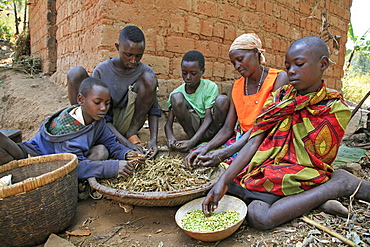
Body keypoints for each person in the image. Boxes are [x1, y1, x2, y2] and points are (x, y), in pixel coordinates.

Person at [201, 36, 370, 230]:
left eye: (299, 64)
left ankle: (338, 185)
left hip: (304, 171)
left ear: (323, 64)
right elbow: (255, 140)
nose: (291, 71)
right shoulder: (281, 97)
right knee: (226, 185)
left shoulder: (334, 109)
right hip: (272, 165)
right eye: (288, 66)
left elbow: (313, 162)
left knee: (259, 216)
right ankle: (312, 199)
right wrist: (223, 181)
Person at [0, 77, 136, 180]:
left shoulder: (97, 119)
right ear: (81, 100)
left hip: (62, 158)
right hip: (36, 158)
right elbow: (72, 166)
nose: (103, 108)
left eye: (107, 103)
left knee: (101, 151)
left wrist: (126, 154)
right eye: (97, 102)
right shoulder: (67, 132)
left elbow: (110, 142)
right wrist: (112, 167)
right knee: (11, 162)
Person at [185, 33, 288, 167]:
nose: (237, 66)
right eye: (234, 63)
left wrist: (226, 152)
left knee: (238, 169)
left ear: (255, 53)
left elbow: (264, 125)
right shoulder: (237, 86)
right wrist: (206, 147)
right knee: (199, 155)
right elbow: (228, 128)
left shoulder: (278, 79)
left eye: (240, 59)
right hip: (242, 138)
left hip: (267, 139)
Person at [67, 25, 160, 158]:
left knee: (150, 78)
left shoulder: (145, 72)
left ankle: (131, 134)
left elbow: (153, 109)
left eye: (138, 56)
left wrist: (153, 140)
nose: (133, 61)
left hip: (128, 122)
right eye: (128, 55)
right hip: (102, 122)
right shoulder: (102, 71)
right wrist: (126, 145)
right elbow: (103, 117)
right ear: (117, 47)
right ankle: (80, 130)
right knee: (75, 73)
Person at [164, 50, 229, 152]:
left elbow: (208, 119)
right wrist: (170, 138)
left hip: (210, 128)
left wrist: (192, 142)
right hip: (192, 130)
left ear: (202, 71)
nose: (188, 77)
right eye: (184, 73)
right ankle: (193, 139)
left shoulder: (210, 87)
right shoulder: (177, 92)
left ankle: (215, 139)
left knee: (222, 100)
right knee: (176, 98)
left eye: (193, 73)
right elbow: (168, 124)